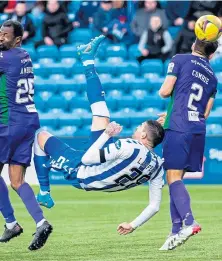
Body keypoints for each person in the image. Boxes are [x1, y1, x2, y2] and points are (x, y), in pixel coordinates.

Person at [34, 35, 165, 235]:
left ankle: (44, 192)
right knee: (101, 113)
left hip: (82, 171)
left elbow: (87, 158)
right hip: (99, 169)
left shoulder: (130, 146)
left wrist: (107, 135)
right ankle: (87, 60)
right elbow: (154, 206)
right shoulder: (157, 166)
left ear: (145, 136)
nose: (137, 128)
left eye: (140, 127)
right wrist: (133, 224)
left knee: (40, 137)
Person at [158, 37, 218, 250]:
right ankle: (175, 231)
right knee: (176, 179)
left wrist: (172, 110)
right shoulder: (212, 77)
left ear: (193, 45)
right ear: (211, 55)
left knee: (172, 177)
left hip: (179, 126)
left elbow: (165, 91)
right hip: (197, 129)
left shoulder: (180, 59)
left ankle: (190, 221)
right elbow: (206, 112)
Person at [0, 20, 52, 251]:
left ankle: (11, 222)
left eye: (5, 35)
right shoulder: (24, 56)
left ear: (17, 39)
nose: (1, 37)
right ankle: (41, 222)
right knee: (17, 180)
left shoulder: (6, 58)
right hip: (28, 122)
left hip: (9, 123)